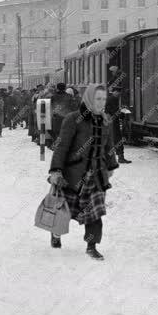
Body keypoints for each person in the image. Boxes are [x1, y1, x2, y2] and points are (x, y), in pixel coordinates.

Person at [47, 84, 119, 260]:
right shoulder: (73, 119)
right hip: (74, 174)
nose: (102, 103)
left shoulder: (106, 120)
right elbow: (62, 147)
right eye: (98, 99)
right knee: (65, 210)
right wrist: (56, 170)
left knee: (95, 212)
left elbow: (109, 146)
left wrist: (111, 166)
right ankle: (56, 233)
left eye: (104, 99)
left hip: (97, 175)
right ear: (88, 99)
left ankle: (91, 246)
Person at [105, 84, 131, 163]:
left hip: (111, 121)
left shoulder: (112, 98)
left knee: (114, 139)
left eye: (120, 92)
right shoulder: (112, 99)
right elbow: (114, 111)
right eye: (118, 92)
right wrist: (122, 113)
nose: (119, 94)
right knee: (117, 139)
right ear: (114, 92)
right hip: (112, 122)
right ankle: (120, 157)